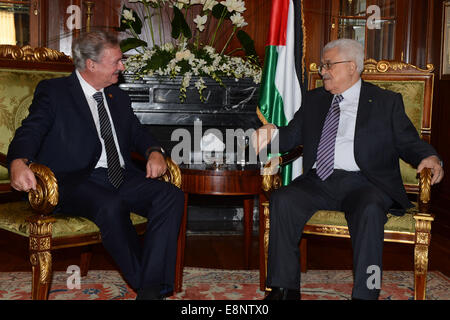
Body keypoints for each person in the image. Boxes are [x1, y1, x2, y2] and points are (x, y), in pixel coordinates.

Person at [252, 39, 444, 300]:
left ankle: (367, 293)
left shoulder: (386, 102)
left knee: (369, 210)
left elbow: (409, 142)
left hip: (365, 182)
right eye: (322, 66)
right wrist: (270, 132)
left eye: (328, 65)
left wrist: (431, 158)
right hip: (318, 181)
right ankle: (283, 290)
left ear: (352, 67)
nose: (322, 71)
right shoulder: (314, 99)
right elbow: (290, 137)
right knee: (283, 199)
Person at [7, 31, 184, 300]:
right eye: (116, 62)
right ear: (91, 64)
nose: (122, 67)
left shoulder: (117, 98)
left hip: (119, 175)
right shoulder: (55, 92)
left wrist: (155, 152)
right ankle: (150, 288)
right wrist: (19, 161)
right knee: (109, 205)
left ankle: (149, 289)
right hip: (74, 181)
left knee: (170, 195)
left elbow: (138, 133)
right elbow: (31, 130)